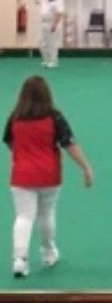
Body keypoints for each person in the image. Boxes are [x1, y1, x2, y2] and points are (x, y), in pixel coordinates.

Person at [5, 76, 93, 278]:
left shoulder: (14, 118)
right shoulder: (55, 118)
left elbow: (9, 142)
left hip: (21, 175)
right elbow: (69, 144)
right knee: (46, 213)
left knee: (24, 216)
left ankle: (19, 259)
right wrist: (85, 167)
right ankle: (48, 252)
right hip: (48, 174)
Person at [36, 0, 65, 69]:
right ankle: (46, 60)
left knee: (52, 44)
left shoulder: (59, 1)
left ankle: (53, 61)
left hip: (53, 24)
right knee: (42, 43)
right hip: (44, 24)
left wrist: (54, 25)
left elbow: (59, 14)